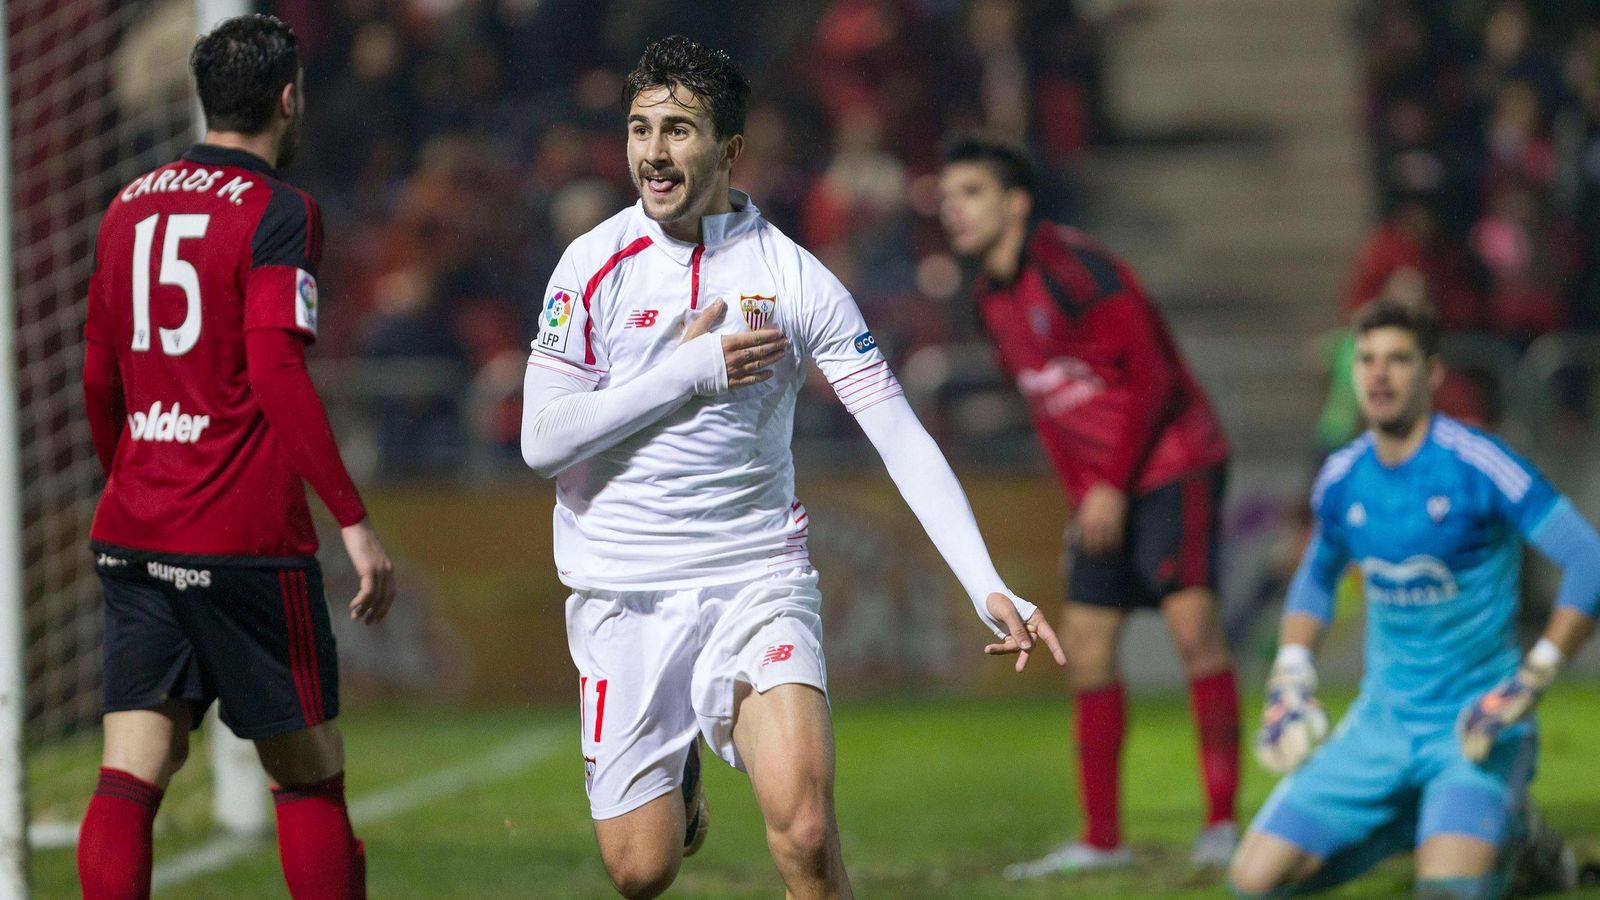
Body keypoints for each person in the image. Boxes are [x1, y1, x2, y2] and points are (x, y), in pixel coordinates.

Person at [520, 36, 1063, 900]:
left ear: (731, 150)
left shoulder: (792, 277)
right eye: (639, 128)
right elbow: (541, 441)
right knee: (641, 870)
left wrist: (983, 580)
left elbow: (897, 432)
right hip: (622, 587)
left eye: (678, 131)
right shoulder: (589, 267)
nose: (653, 154)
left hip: (754, 575)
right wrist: (685, 372)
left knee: (806, 835)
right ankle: (682, 780)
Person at [77, 15, 395, 899]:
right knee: (308, 777)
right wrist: (354, 519)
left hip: (138, 527)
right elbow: (276, 368)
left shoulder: (126, 204)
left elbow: (99, 376)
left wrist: (133, 477)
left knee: (130, 773)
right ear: (288, 100)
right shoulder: (281, 213)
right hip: (243, 542)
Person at [937, 138, 1239, 874]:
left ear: (1016, 202)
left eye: (971, 191)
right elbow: (1053, 410)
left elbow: (1154, 376)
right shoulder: (989, 301)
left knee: (1194, 629)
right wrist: (1086, 495)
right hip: (1103, 488)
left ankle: (1223, 824)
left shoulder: (1076, 269)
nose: (954, 208)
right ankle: (1102, 840)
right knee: (1087, 649)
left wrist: (1110, 481)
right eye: (947, 196)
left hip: (1174, 462)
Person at [1229, 297, 1600, 898]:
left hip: (1475, 724)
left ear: (1432, 375)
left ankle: (1515, 837)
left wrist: (1533, 677)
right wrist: (1291, 673)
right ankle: (1424, 821)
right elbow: (1317, 576)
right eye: (1367, 359)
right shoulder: (1342, 476)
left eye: (1398, 360)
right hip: (1380, 726)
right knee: (1252, 882)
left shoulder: (1479, 462)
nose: (1378, 374)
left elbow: (1588, 559)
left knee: (1447, 891)